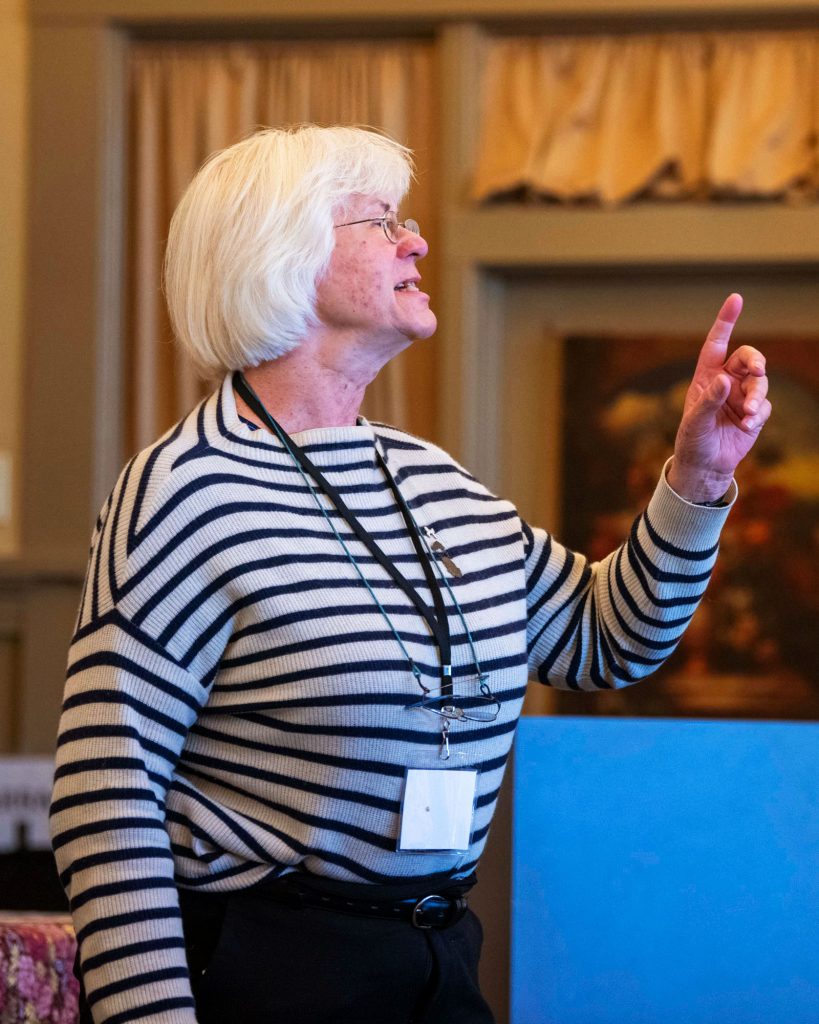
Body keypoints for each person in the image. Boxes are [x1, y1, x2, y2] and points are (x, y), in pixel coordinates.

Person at [50, 125, 770, 1024]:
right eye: (380, 221)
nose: (416, 240)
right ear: (282, 255)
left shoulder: (431, 474)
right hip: (265, 970)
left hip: (435, 960)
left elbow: (606, 638)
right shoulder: (184, 490)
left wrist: (698, 474)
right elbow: (103, 798)